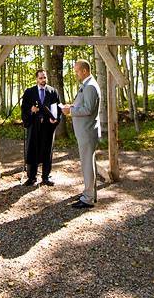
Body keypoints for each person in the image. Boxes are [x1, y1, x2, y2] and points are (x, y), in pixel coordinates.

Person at [60, 60, 100, 209]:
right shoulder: (87, 85)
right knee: (89, 163)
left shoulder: (90, 86)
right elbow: (82, 105)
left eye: (77, 71)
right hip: (85, 131)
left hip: (87, 131)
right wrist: (71, 106)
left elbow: (88, 109)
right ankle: (90, 193)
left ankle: (88, 198)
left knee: (87, 164)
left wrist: (70, 111)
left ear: (84, 71)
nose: (76, 73)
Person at [20, 68, 63, 186]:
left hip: (48, 127)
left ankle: (45, 177)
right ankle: (32, 177)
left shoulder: (53, 91)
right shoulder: (29, 92)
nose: (43, 80)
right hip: (34, 126)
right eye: (40, 78)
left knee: (47, 151)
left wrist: (55, 119)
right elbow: (23, 108)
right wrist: (31, 110)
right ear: (36, 79)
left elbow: (58, 109)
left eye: (44, 77)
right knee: (32, 150)